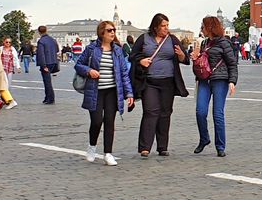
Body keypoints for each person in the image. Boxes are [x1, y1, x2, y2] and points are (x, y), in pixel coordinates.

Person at [76, 20, 133, 165]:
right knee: (96, 121)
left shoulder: (118, 50)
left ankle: (108, 153)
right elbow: (79, 65)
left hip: (112, 91)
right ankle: (92, 146)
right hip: (95, 91)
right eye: (109, 30)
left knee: (109, 122)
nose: (112, 32)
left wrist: (129, 93)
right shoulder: (91, 49)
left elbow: (124, 73)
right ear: (102, 32)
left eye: (113, 30)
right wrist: (89, 71)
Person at [134, 13, 189, 158]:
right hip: (149, 81)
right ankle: (145, 147)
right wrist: (141, 61)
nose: (166, 28)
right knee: (150, 111)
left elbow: (185, 59)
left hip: (168, 81)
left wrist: (181, 55)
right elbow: (132, 56)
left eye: (167, 25)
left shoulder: (172, 39)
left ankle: (162, 147)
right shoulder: (144, 39)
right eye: (163, 26)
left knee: (165, 113)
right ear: (155, 27)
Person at [192, 14, 239, 156]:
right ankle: (204, 138)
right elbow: (201, 63)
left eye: (203, 26)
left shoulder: (224, 43)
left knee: (217, 113)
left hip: (220, 80)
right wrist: (195, 58)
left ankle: (220, 146)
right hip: (204, 80)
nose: (201, 29)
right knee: (200, 111)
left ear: (210, 27)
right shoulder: (204, 43)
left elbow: (232, 63)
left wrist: (232, 81)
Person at [0, 34, 18, 109]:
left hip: (9, 68)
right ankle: (6, 100)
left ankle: (6, 100)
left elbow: (15, 58)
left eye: (9, 42)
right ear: (3, 42)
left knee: (7, 85)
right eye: (6, 42)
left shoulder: (12, 49)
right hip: (1, 68)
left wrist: (18, 66)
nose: (8, 43)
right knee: (2, 85)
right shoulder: (0, 48)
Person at [35, 26, 60, 103]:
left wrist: (43, 65)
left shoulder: (41, 41)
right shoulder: (53, 40)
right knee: (48, 81)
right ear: (46, 30)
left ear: (39, 32)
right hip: (53, 61)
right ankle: (47, 98)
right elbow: (57, 50)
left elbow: (41, 54)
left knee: (47, 82)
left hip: (46, 62)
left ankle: (50, 98)